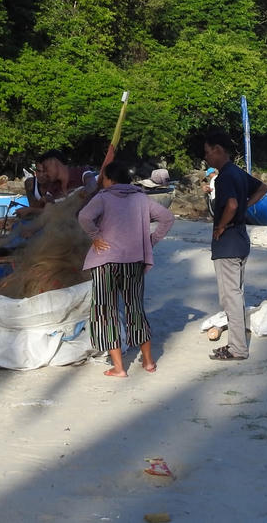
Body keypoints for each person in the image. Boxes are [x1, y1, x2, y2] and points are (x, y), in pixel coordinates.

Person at [77, 161, 175, 377]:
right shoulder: (141, 198)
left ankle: (119, 368)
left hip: (106, 262)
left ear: (109, 179)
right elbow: (167, 218)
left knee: (106, 310)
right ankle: (148, 362)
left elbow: (84, 217)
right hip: (134, 261)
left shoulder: (103, 197)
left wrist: (95, 237)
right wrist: (150, 241)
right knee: (135, 309)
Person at [203, 129, 267, 361]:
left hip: (228, 241)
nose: (207, 158)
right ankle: (235, 345)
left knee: (230, 298)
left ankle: (237, 349)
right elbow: (263, 188)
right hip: (240, 239)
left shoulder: (226, 176)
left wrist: (221, 225)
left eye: (208, 153)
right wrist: (244, 207)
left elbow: (230, 204)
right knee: (235, 295)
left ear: (219, 151)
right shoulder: (238, 173)